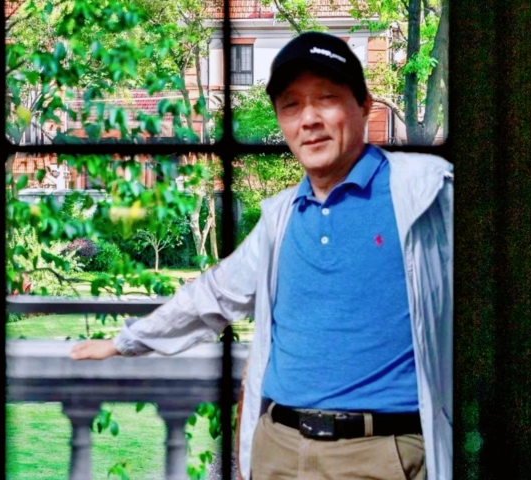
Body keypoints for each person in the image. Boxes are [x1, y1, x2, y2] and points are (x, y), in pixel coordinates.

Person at [71, 31, 453, 480]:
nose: (308, 119)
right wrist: (124, 342)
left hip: (381, 456)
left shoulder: (428, 193)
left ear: (364, 104)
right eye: (291, 106)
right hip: (278, 451)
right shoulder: (281, 216)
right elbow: (213, 295)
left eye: (326, 98)